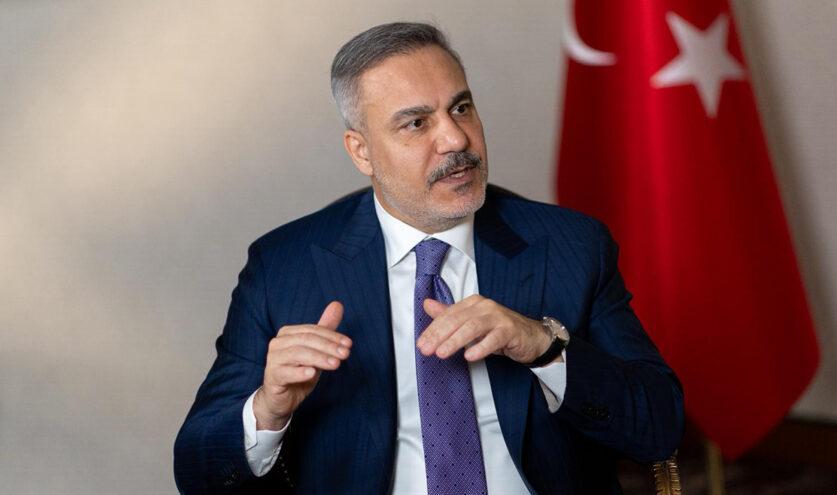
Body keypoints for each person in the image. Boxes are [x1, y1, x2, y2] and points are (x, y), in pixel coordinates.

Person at [174, 22, 684, 495]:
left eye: (460, 108)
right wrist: (268, 409)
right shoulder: (283, 267)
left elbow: (660, 428)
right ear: (361, 151)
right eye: (416, 123)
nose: (456, 139)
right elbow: (197, 470)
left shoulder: (572, 244)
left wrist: (544, 347)